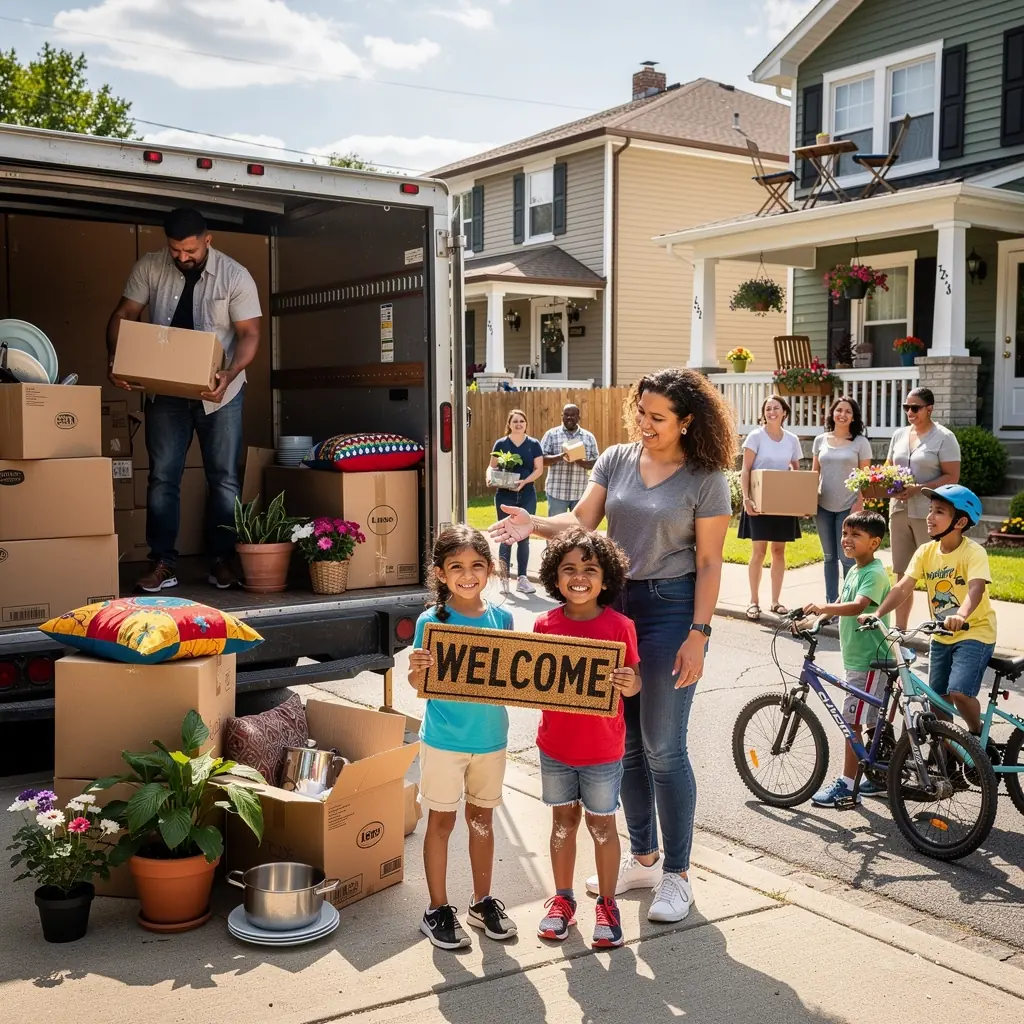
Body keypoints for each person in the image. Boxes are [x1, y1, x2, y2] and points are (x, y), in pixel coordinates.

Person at [490, 368, 734, 925]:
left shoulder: (705, 476)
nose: (645, 425)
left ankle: (678, 873)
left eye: (658, 418)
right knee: (620, 743)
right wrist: (534, 524)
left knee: (663, 746)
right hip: (613, 606)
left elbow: (710, 561)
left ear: (687, 421)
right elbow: (581, 521)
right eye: (640, 413)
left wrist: (699, 634)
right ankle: (643, 856)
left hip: (672, 611)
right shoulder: (618, 459)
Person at [106, 207, 262, 593]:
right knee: (162, 478)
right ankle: (162, 562)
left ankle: (221, 561)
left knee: (224, 479)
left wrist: (229, 374)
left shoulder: (235, 276)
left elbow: (250, 334)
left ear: (207, 240)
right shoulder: (150, 266)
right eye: (175, 250)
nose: (182, 257)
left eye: (190, 250)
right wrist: (117, 357)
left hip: (220, 393)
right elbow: (124, 313)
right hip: (166, 392)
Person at [407, 525, 518, 950]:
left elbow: (513, 679)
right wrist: (418, 670)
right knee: (441, 821)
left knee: (482, 820)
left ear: (489, 570)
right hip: (443, 741)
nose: (467, 575)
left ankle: (482, 900)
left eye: (476, 566)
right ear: (440, 573)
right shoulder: (431, 621)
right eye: (456, 567)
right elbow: (421, 686)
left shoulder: (502, 619)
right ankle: (436, 908)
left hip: (491, 739)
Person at [533, 528, 641, 949]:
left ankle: (609, 905)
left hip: (601, 750)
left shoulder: (620, 626)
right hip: (555, 747)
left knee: (601, 825)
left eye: (590, 569)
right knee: (562, 823)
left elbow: (632, 684)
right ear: (555, 577)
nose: (579, 577)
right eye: (569, 569)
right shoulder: (544, 625)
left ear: (606, 577)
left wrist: (629, 682)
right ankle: (562, 900)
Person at [869, 485, 996, 737]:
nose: (930, 516)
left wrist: (961, 615)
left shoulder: (973, 552)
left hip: (975, 633)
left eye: (939, 511)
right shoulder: (925, 551)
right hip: (940, 636)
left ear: (960, 521)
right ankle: (950, 756)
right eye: (930, 510)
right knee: (938, 701)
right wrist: (877, 613)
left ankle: (976, 735)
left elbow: (976, 589)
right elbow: (903, 587)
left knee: (959, 691)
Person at [800, 510, 891, 807]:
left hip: (869, 662)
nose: (846, 540)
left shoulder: (874, 573)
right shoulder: (854, 569)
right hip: (860, 660)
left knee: (850, 723)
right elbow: (842, 601)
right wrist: (816, 620)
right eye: (844, 534)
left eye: (856, 535)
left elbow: (856, 606)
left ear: (875, 542)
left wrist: (820, 606)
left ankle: (847, 786)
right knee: (867, 724)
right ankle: (877, 779)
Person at [885, 387, 961, 631]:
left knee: (936, 575)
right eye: (906, 407)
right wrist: (883, 483)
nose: (910, 412)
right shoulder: (899, 435)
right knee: (903, 574)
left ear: (930, 408)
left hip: (931, 514)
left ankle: (941, 630)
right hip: (899, 511)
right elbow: (888, 468)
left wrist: (920, 488)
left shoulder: (944, 437)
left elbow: (953, 476)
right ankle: (899, 632)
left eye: (915, 407)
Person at [739, 395, 803, 620]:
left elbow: (797, 472)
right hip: (758, 502)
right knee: (758, 552)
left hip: (782, 503)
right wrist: (746, 499)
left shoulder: (792, 440)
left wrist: (800, 501)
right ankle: (753, 601)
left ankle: (775, 602)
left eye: (776, 408)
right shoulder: (755, 436)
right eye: (768, 408)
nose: (771, 412)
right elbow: (745, 470)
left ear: (784, 412)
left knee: (779, 551)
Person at [812, 397, 873, 605]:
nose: (842, 415)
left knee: (847, 558)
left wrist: (859, 502)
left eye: (848, 411)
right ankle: (831, 603)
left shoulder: (860, 443)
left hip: (849, 506)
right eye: (839, 410)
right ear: (832, 414)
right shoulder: (820, 441)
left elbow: (865, 478)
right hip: (822, 506)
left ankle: (847, 603)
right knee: (829, 557)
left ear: (853, 417)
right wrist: (807, 501)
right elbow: (814, 474)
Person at [488, 408, 544, 594]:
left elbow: (539, 469)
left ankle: (522, 578)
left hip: (527, 494)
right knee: (506, 536)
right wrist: (489, 477)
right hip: (505, 495)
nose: (518, 424)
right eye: (515, 421)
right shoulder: (501, 444)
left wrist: (525, 481)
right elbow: (492, 467)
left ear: (526, 423)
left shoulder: (533, 444)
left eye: (521, 421)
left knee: (524, 537)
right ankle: (504, 579)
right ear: (509, 424)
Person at [539, 404, 600, 516]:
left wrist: (579, 460)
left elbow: (596, 463)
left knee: (578, 529)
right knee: (555, 529)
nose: (569, 418)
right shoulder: (551, 435)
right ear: (562, 416)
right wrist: (561, 456)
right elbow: (541, 460)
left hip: (580, 491)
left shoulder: (588, 437)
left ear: (579, 417)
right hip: (556, 491)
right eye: (566, 415)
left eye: (573, 415)